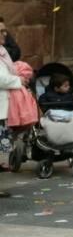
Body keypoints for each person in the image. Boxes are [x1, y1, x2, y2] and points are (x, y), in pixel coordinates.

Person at [0, 43, 30, 185]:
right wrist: (19, 80)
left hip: (4, 106)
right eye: (0, 31)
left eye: (4, 31)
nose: (4, 34)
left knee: (3, 142)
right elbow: (1, 79)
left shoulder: (3, 51)